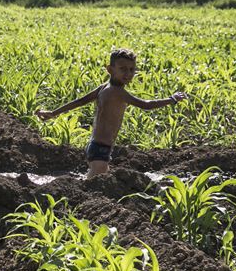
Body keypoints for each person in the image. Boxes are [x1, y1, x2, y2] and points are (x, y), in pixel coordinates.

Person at [35, 48, 187, 179]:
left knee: (99, 181)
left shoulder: (103, 88)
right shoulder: (117, 92)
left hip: (97, 146)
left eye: (132, 69)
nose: (128, 73)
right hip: (100, 148)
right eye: (122, 69)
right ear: (110, 69)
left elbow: (80, 101)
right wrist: (171, 99)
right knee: (93, 187)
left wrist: (54, 112)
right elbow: (145, 105)